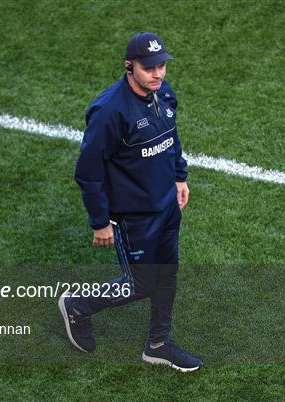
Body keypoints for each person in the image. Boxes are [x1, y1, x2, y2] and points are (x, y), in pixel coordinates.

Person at [59, 32, 202, 372]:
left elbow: (171, 138)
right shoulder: (109, 111)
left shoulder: (163, 94)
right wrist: (99, 221)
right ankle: (78, 306)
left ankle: (158, 344)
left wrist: (179, 176)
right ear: (129, 66)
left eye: (162, 65)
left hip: (166, 206)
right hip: (133, 216)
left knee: (167, 274)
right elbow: (88, 172)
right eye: (149, 67)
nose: (158, 73)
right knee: (141, 283)